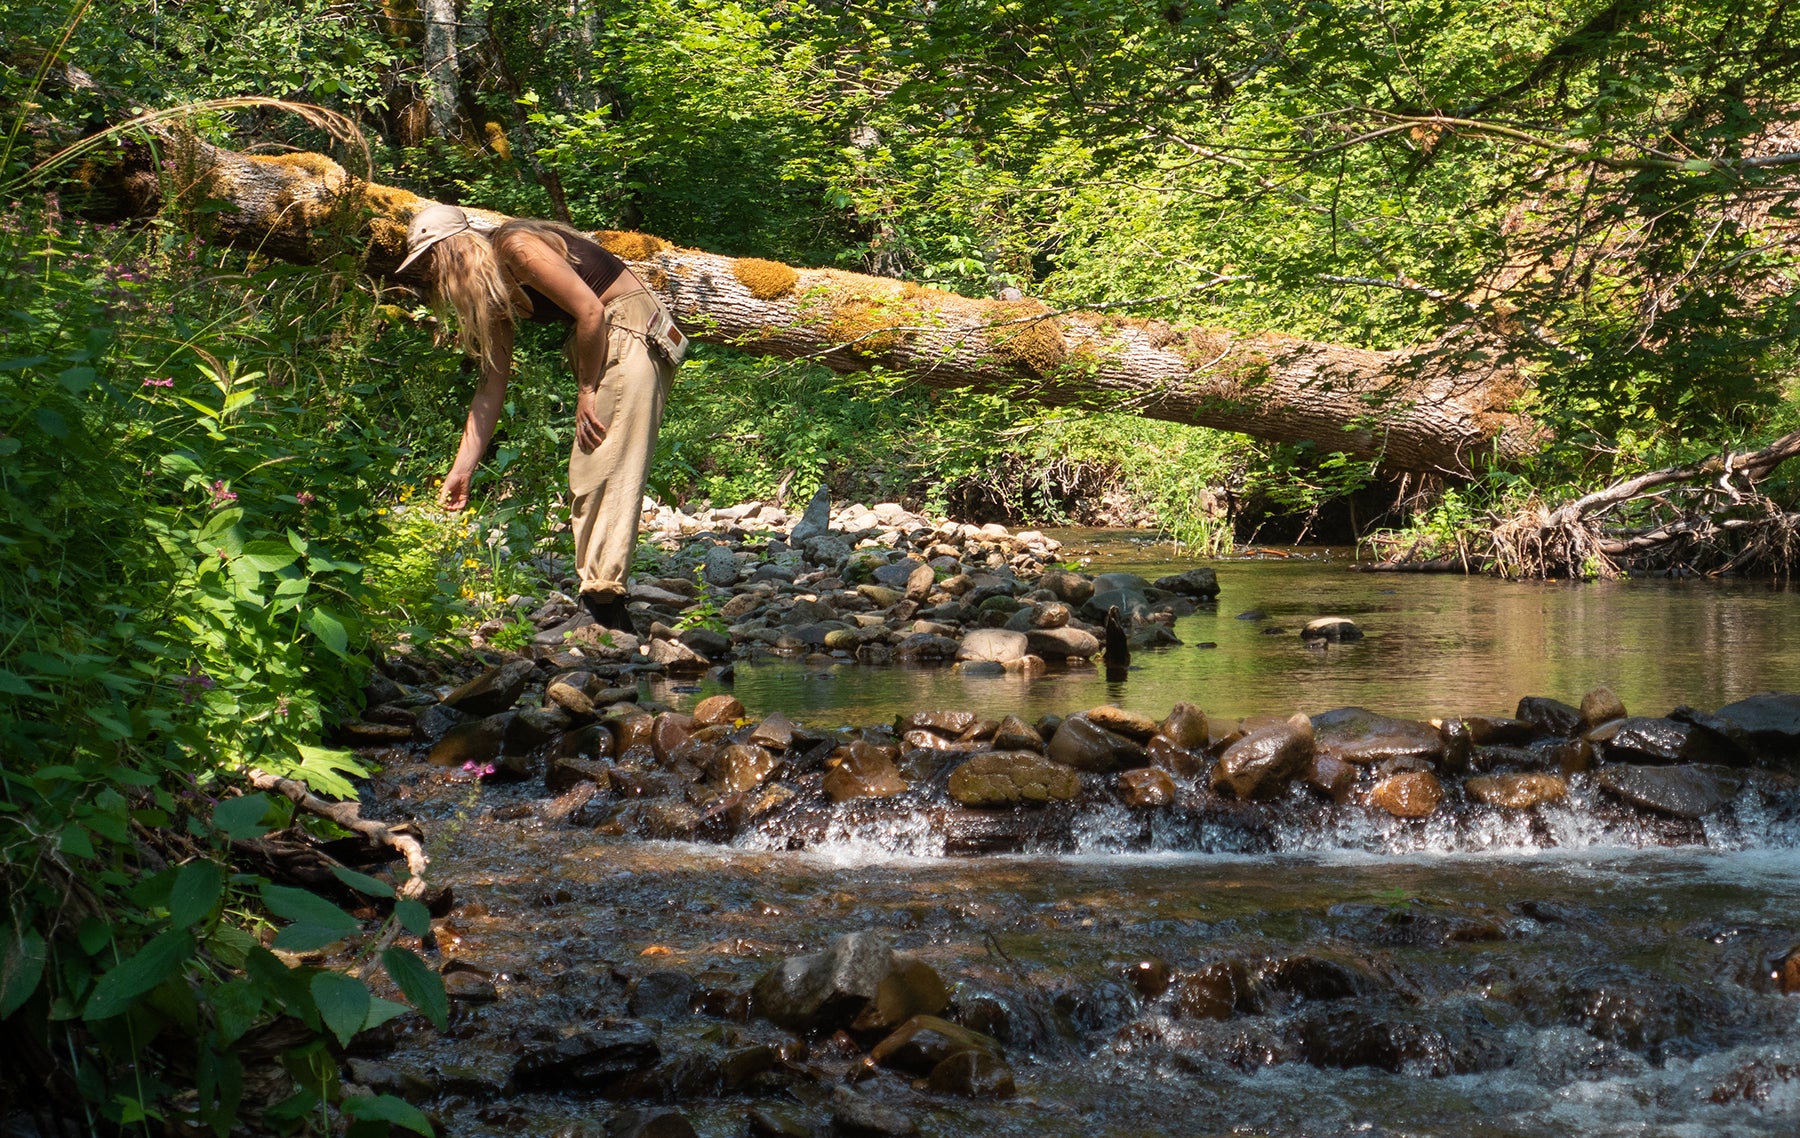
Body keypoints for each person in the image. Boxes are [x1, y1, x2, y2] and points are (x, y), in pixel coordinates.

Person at [396, 203, 678, 637]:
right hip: (618, 334)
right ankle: (610, 612)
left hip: (632, 329)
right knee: (592, 467)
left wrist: (586, 390)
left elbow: (591, 311)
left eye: (431, 261)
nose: (430, 275)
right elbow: (491, 387)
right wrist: (462, 469)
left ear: (452, 249)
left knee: (604, 467)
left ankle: (603, 604)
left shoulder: (516, 246)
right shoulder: (495, 291)